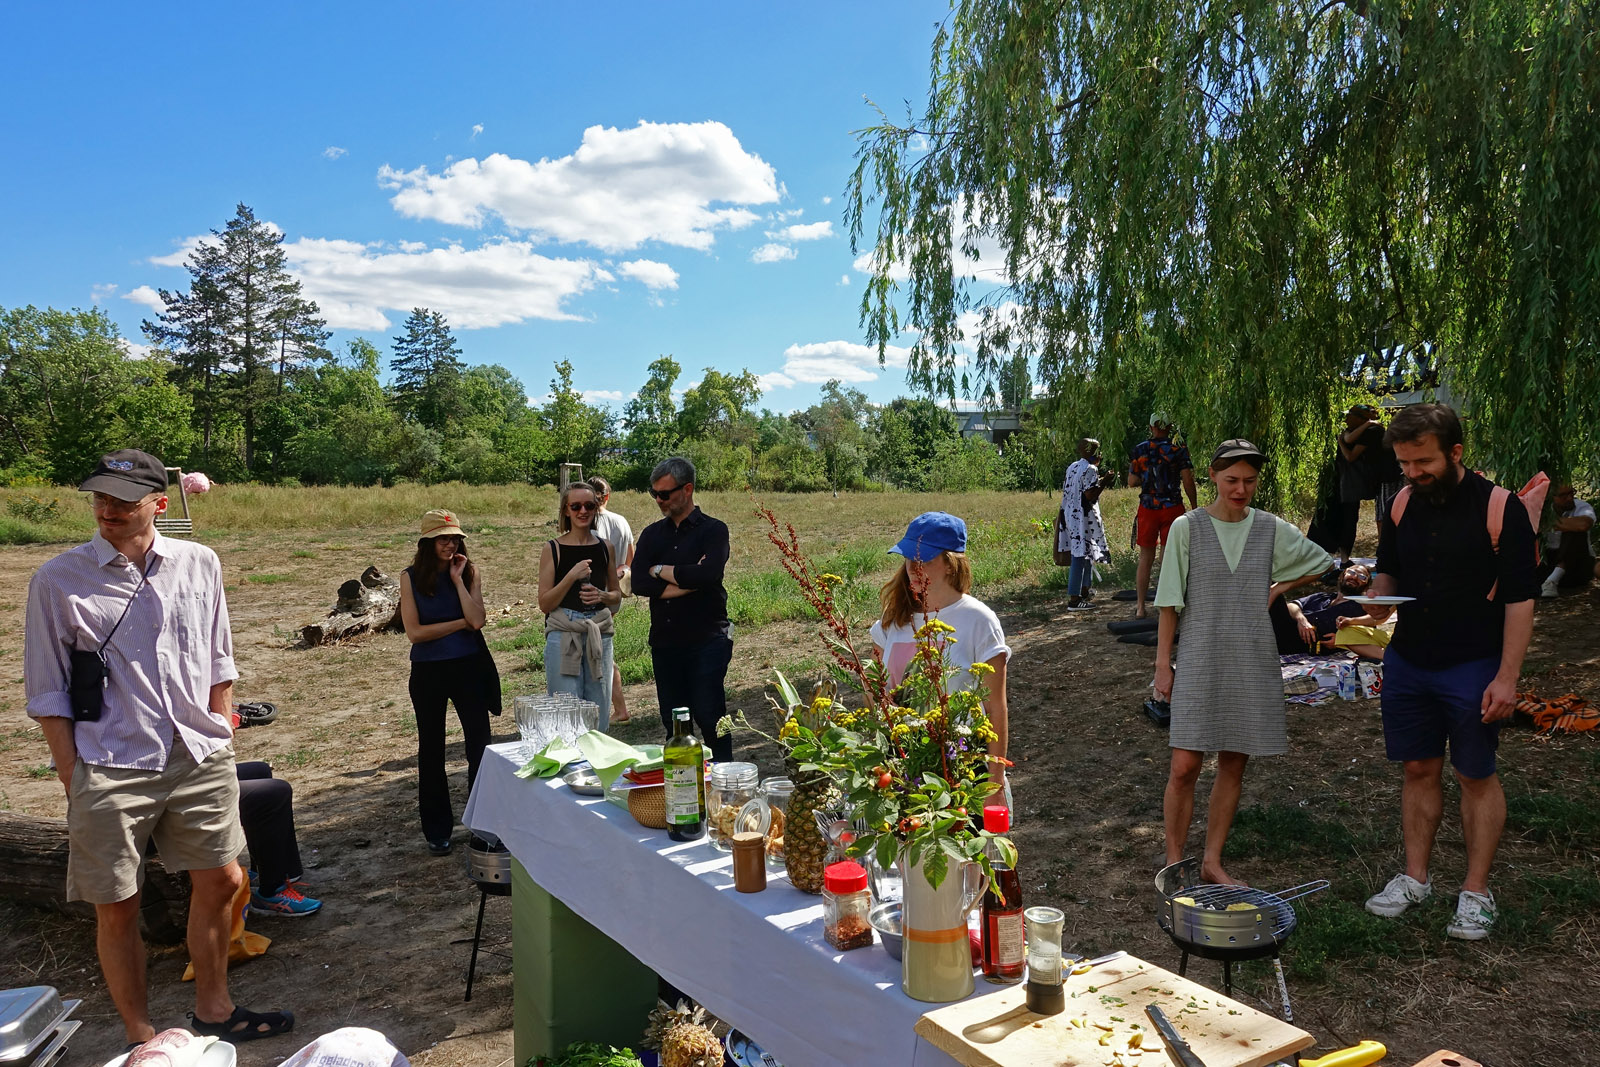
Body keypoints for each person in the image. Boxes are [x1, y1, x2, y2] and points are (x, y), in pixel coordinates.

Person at [23, 449, 294, 1047]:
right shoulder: (58, 579)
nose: (108, 509)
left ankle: (215, 1010)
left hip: (197, 752)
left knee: (222, 879)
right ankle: (143, 1038)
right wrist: (74, 774)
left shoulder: (200, 563)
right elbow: (46, 690)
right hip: (111, 760)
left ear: (160, 505)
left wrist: (221, 721)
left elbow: (219, 652)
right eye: (100, 497)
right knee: (117, 904)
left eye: (124, 499)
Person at [1362, 404, 1536, 941]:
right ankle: (1415, 880)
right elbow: (1388, 569)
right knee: (1418, 769)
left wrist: (1507, 678)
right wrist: (1376, 599)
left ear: (1455, 453)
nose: (1411, 473)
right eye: (1404, 463)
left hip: (1474, 665)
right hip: (1410, 661)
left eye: (1423, 462)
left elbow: (1521, 599)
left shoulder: (1500, 507)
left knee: (1474, 775)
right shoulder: (1399, 504)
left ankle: (1476, 893)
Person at [1154, 440, 1331, 885]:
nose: (1240, 489)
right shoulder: (1186, 527)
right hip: (1199, 654)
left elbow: (1322, 561)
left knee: (1234, 761)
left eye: (1249, 481)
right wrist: (1162, 663)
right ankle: (1175, 862)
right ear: (1213, 476)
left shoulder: (1270, 528)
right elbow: (1170, 603)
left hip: (1251, 656)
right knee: (1185, 765)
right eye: (1231, 480)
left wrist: (1278, 587)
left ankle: (1212, 861)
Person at [870, 512, 1011, 797]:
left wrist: (993, 786)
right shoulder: (894, 619)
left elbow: (995, 709)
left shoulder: (979, 621)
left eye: (925, 560)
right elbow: (875, 693)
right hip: (900, 769)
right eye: (908, 558)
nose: (912, 568)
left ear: (950, 564)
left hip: (962, 772)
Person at [399, 509, 498, 857]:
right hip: (428, 672)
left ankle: (483, 824)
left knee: (480, 747)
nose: (450, 544)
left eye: (455, 538)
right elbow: (415, 633)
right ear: (427, 542)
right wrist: (459, 624)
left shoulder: (468, 572)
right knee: (431, 750)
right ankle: (437, 830)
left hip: (468, 667)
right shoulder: (410, 578)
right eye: (443, 538)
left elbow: (479, 619)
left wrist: (458, 581)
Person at [630, 457, 734, 761]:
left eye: (665, 494)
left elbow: (707, 575)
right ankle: (683, 788)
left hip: (708, 639)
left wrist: (659, 568)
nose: (659, 500)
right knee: (674, 723)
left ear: (687, 489)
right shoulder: (651, 535)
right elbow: (638, 583)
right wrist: (686, 579)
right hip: (666, 642)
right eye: (654, 494)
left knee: (710, 713)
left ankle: (726, 779)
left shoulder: (714, 531)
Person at [538, 481, 623, 721]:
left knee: (599, 706)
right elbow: (545, 603)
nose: (582, 511)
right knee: (567, 709)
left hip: (599, 630)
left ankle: (597, 756)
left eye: (589, 505)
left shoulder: (606, 547)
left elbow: (616, 595)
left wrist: (603, 596)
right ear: (566, 510)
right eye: (575, 506)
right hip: (564, 631)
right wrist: (570, 577)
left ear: (597, 507)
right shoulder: (553, 548)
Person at [1128, 413, 1198, 619]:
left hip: (1148, 507)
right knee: (1168, 558)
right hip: (1173, 507)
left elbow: (1131, 481)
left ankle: (1140, 607)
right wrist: (1194, 506)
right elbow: (1187, 480)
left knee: (1145, 557)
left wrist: (1149, 478)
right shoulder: (1178, 449)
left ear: (1151, 427)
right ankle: (1164, 605)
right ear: (1169, 427)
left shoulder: (1140, 449)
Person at [238, 762, 321, 916]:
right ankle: (271, 891)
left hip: (193, 775)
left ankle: (265, 873)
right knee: (276, 792)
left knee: (259, 770)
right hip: (186, 787)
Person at [589, 476, 635, 722]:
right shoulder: (621, 521)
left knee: (599, 650)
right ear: (608, 495)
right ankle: (619, 709)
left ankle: (610, 710)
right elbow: (629, 558)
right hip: (615, 593)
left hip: (593, 595)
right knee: (602, 648)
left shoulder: (588, 523)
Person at [1268, 563, 1388, 657]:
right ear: (1342, 577)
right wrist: (1301, 619)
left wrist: (1341, 642)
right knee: (1269, 586)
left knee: (1270, 587)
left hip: (1304, 644)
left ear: (1366, 586)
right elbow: (1292, 605)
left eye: (1362, 577)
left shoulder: (1362, 606)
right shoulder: (1322, 597)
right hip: (1282, 628)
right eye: (1351, 572)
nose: (1355, 577)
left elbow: (1371, 625)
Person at [1333, 404, 1388, 570]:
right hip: (1346, 481)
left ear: (1358, 418)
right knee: (1344, 518)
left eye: (1349, 416)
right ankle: (1343, 558)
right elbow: (1347, 438)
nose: (1346, 419)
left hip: (1359, 482)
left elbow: (1350, 455)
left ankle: (1383, 557)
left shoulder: (1372, 432)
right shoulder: (1354, 431)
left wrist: (1340, 442)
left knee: (1360, 518)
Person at [1059, 438, 1110, 610]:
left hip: (1070, 515)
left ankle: (1084, 590)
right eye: (1096, 450)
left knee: (1085, 551)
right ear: (1089, 452)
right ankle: (1074, 599)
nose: (1099, 454)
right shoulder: (1090, 468)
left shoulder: (1072, 466)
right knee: (1079, 555)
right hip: (1082, 517)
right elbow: (1090, 495)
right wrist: (1105, 481)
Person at [1538, 482, 1595, 597]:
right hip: (1547, 562)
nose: (1569, 498)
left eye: (1571, 493)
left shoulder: (1581, 506)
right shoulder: (1540, 509)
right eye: (1563, 495)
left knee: (1576, 532)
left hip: (1576, 566)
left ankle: (1552, 581)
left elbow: (1583, 524)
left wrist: (1545, 524)